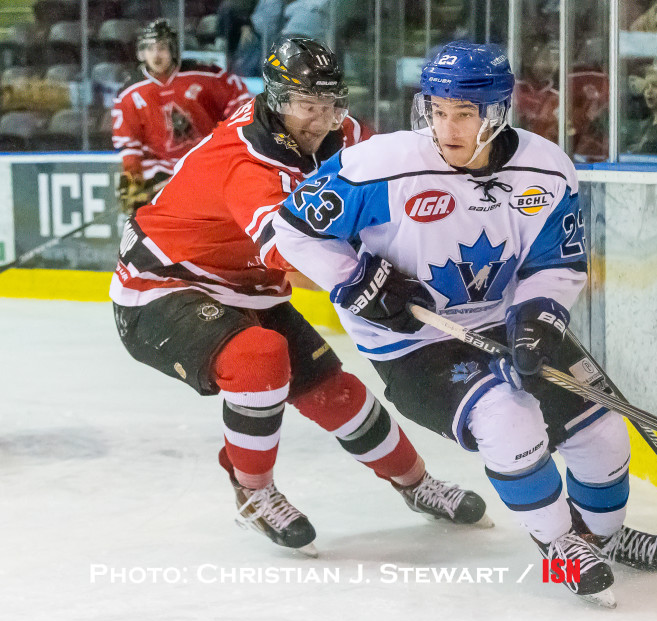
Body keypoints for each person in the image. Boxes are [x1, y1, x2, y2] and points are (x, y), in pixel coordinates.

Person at [263, 41, 657, 605]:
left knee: (602, 430)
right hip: (414, 344)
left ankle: (600, 537)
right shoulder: (378, 166)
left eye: (464, 113)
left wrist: (538, 316)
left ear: (498, 112)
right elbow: (289, 229)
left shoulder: (548, 170)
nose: (446, 127)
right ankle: (560, 549)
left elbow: (556, 264)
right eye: (436, 110)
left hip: (504, 323)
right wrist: (353, 278)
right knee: (509, 418)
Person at [110, 36, 488, 556]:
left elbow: (406, 179)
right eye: (307, 105)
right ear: (277, 101)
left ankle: (416, 484)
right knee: (258, 359)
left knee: (338, 394)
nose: (320, 118)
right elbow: (289, 250)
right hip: (162, 286)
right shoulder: (248, 162)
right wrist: (363, 283)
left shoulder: (343, 134)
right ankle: (253, 491)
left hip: (249, 289)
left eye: (331, 103)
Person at [112, 19, 251, 214]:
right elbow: (129, 143)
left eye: (161, 48)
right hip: (160, 174)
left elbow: (240, 99)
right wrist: (133, 178)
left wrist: (230, 139)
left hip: (207, 166)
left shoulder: (205, 75)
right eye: (150, 49)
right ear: (141, 52)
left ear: (173, 49)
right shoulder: (129, 92)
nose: (155, 55)